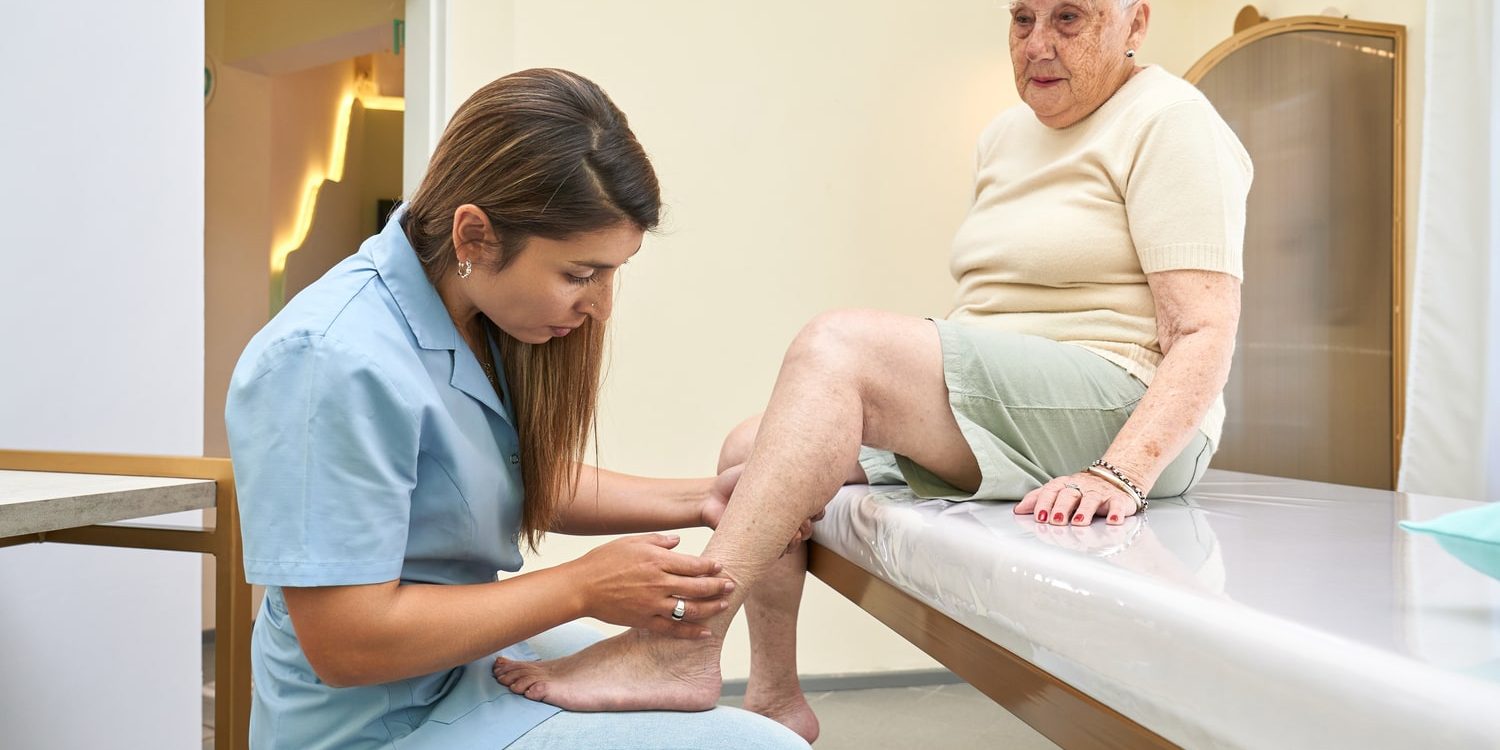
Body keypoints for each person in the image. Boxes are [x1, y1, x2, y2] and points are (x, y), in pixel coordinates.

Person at [491, 0, 1252, 718]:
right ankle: (775, 696)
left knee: (841, 345)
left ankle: (682, 642)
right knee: (750, 451)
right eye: (1021, 18)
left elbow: (1204, 330)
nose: (1037, 43)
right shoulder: (1004, 136)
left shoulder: (1171, 119)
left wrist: (1119, 472)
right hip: (1023, 404)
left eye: (1069, 17)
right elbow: (995, 315)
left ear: (1135, 23)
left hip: (1124, 405)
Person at [225, 68, 811, 749]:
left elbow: (504, 477)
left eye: (612, 273)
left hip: (455, 668)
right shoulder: (328, 362)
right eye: (579, 275)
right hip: (372, 722)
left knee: (671, 676)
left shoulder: (477, 319)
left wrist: (706, 497)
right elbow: (347, 644)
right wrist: (583, 586)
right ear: (474, 237)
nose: (598, 306)